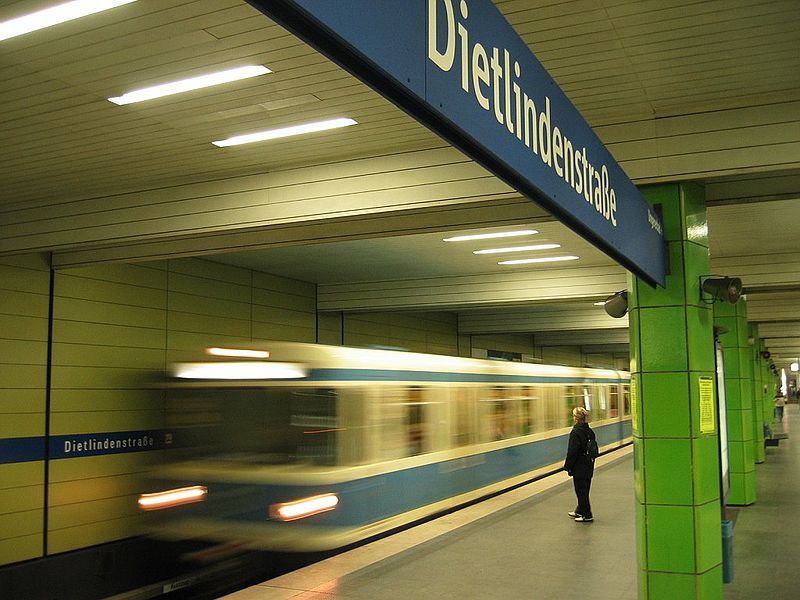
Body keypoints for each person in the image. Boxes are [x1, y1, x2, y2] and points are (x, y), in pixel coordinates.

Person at [563, 406, 596, 523]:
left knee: (581, 490)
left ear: (575, 418)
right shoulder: (589, 431)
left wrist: (567, 466)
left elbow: (572, 451)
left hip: (579, 466)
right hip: (589, 465)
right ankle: (579, 510)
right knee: (585, 489)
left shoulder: (576, 432)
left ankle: (587, 515)